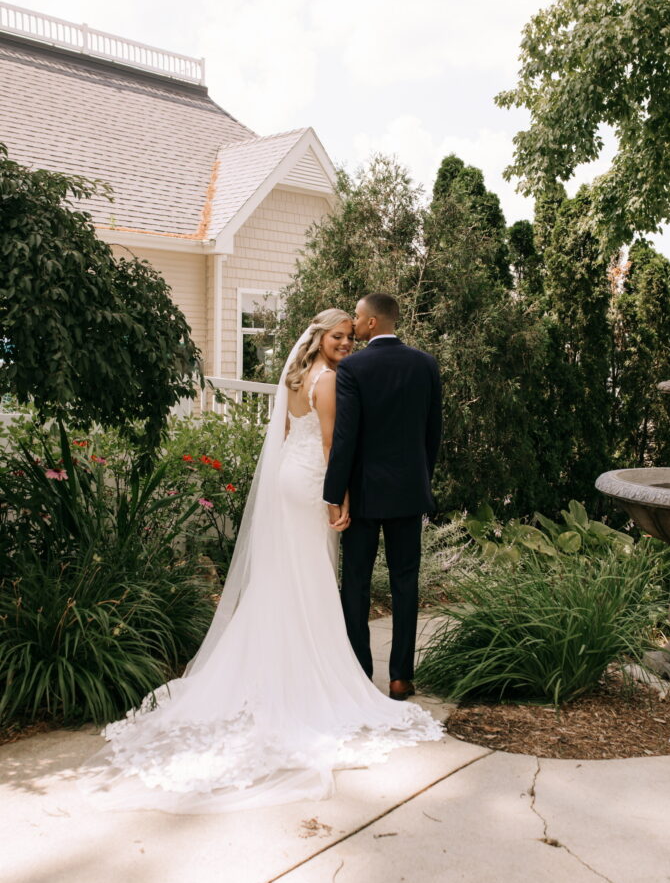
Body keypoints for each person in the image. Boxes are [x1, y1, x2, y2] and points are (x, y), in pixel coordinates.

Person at [82, 309, 442, 814]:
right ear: (320, 339)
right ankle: (353, 672)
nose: (346, 340)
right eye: (338, 335)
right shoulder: (351, 376)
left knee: (300, 577)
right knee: (321, 576)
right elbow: (338, 441)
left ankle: (326, 663)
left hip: (292, 480)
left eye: (349, 332)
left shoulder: (301, 376)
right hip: (325, 485)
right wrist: (338, 498)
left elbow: (318, 437)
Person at [324, 293, 442, 702]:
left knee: (354, 583)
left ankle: (360, 673)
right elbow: (433, 434)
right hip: (409, 494)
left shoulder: (353, 367)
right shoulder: (426, 364)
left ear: (372, 323)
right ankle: (400, 679)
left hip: (364, 495)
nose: (353, 325)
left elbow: (345, 439)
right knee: (404, 583)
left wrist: (334, 494)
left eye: (357, 318)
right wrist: (419, 480)